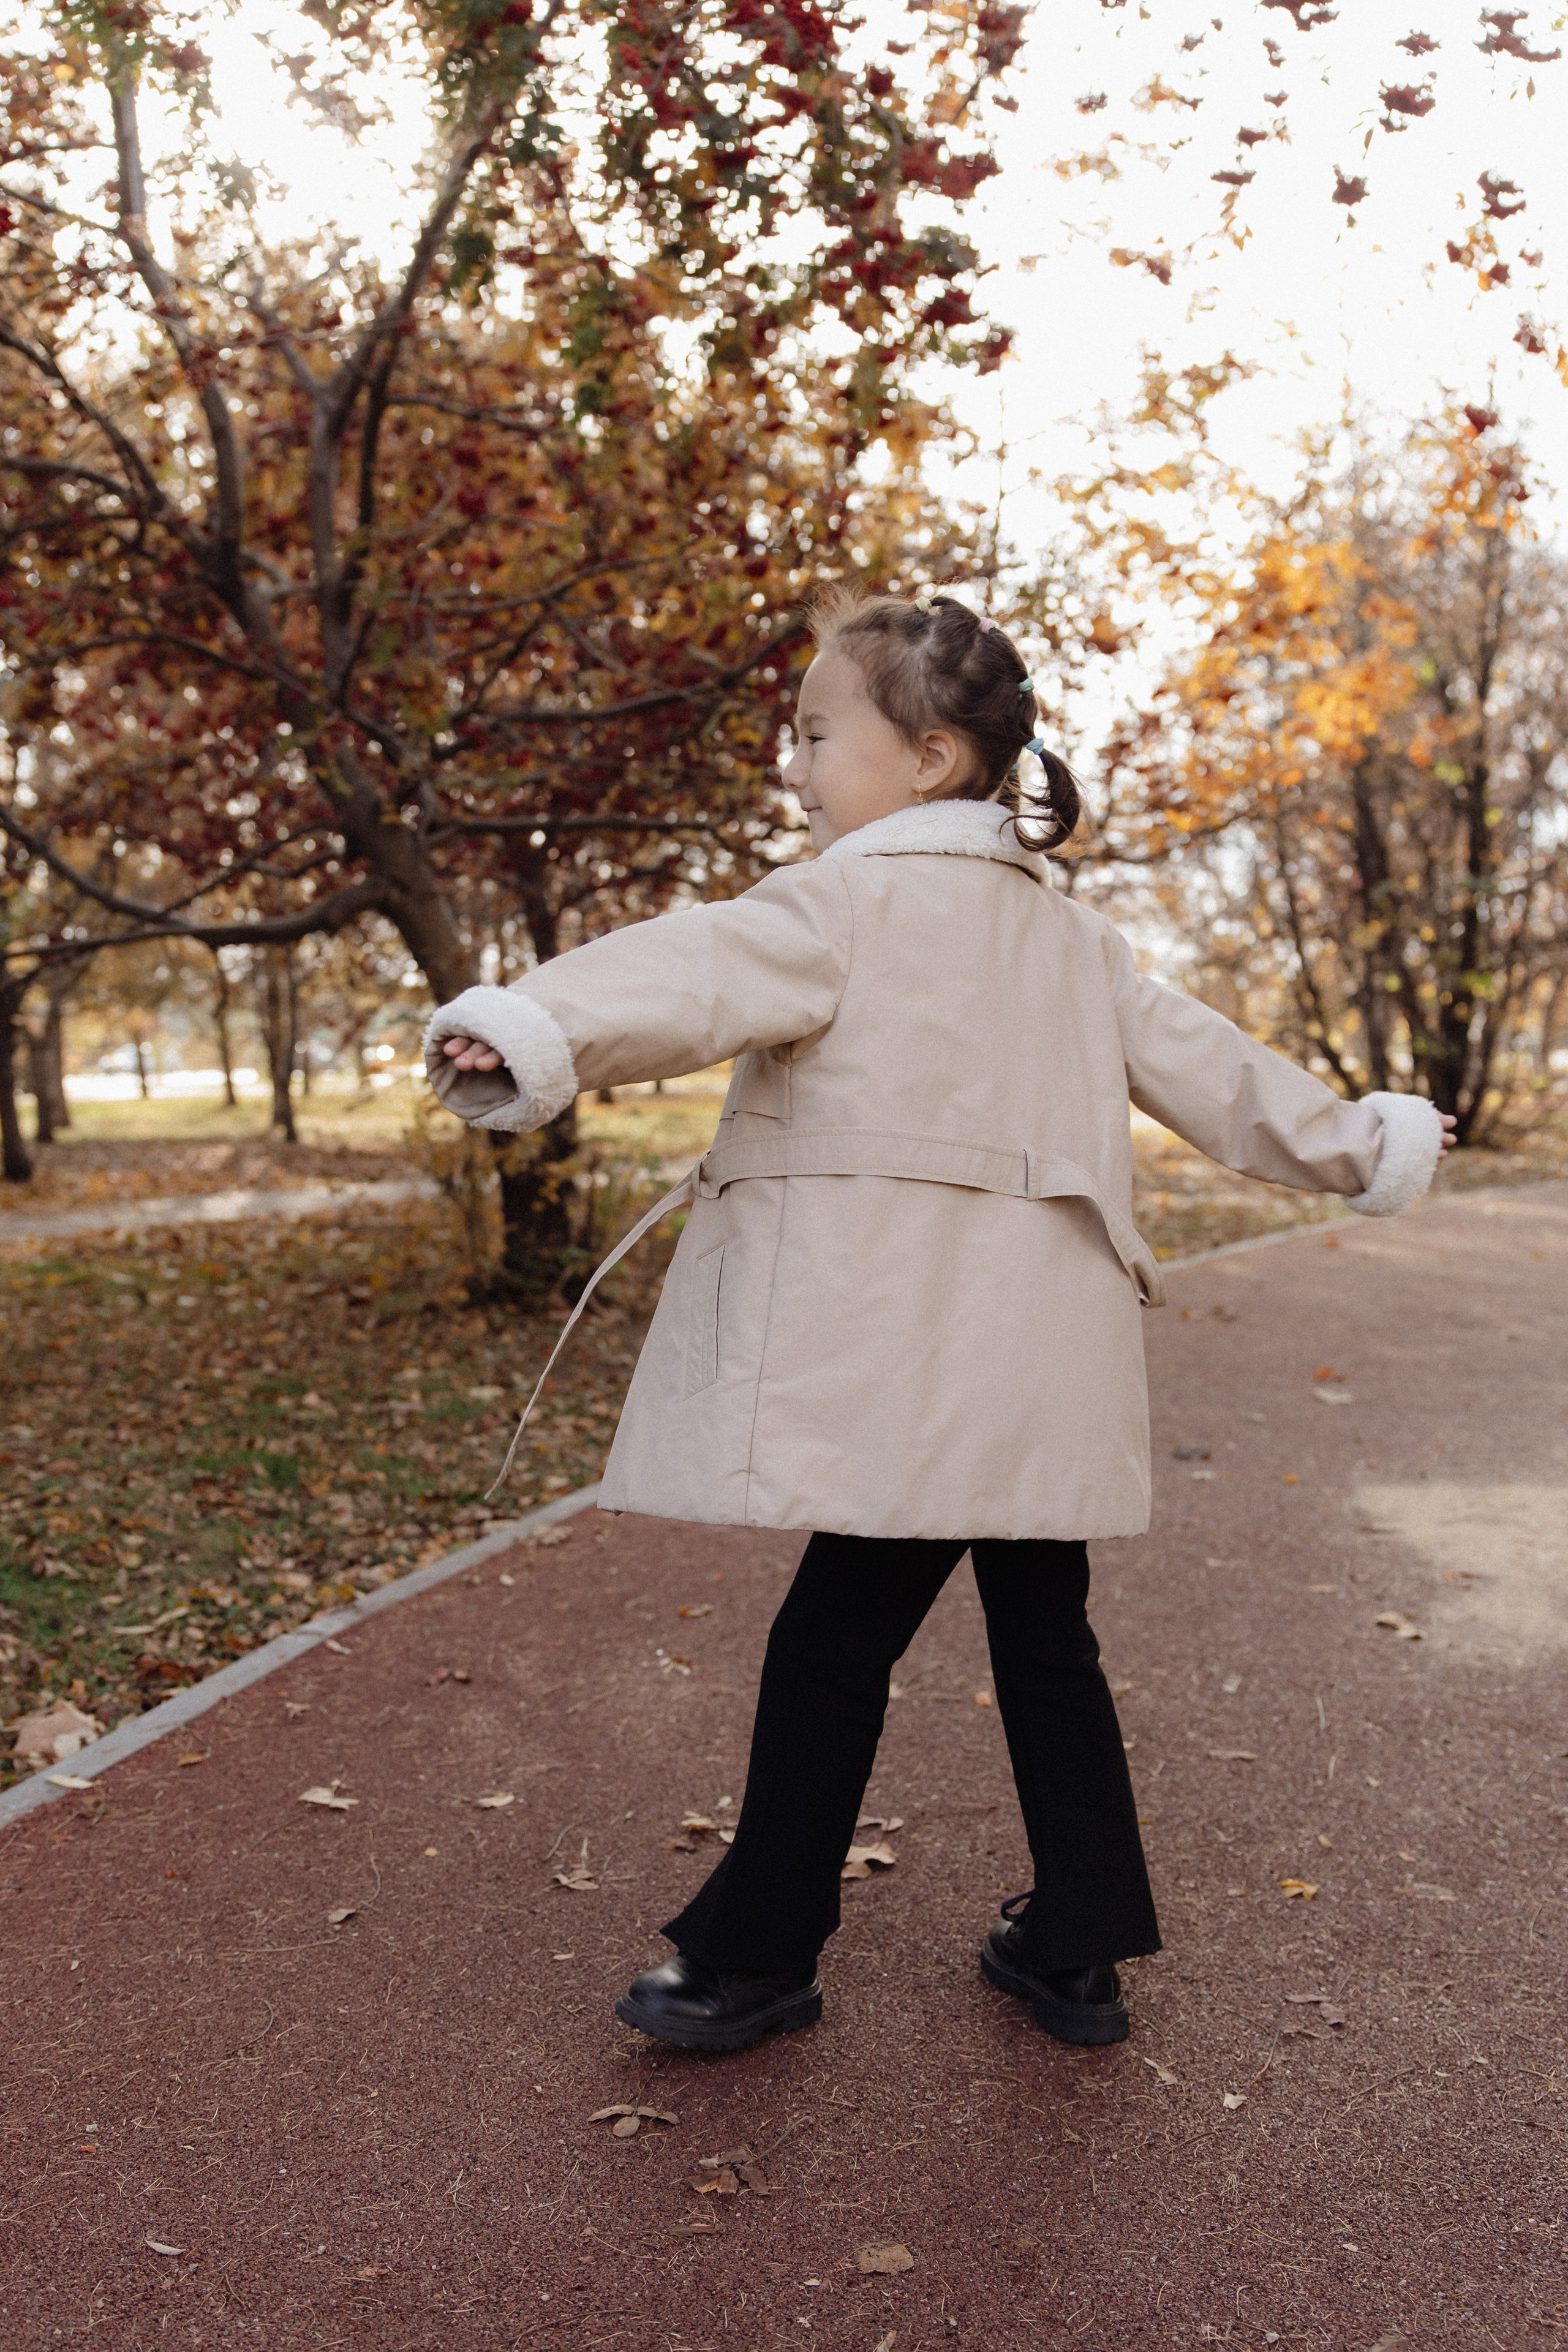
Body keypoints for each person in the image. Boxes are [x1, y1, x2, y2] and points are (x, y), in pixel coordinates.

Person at [424, 589, 1453, 2056]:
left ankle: (756, 1954)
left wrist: (526, 1022)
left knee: (832, 1648)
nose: (792, 762)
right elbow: (1222, 1078)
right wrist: (1365, 1142)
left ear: (925, 761)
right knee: (1048, 1647)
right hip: (1040, 1372)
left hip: (907, 1374)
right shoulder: (1077, 942)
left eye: (814, 732)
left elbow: (690, 968)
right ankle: (1076, 1945)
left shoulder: (840, 902)